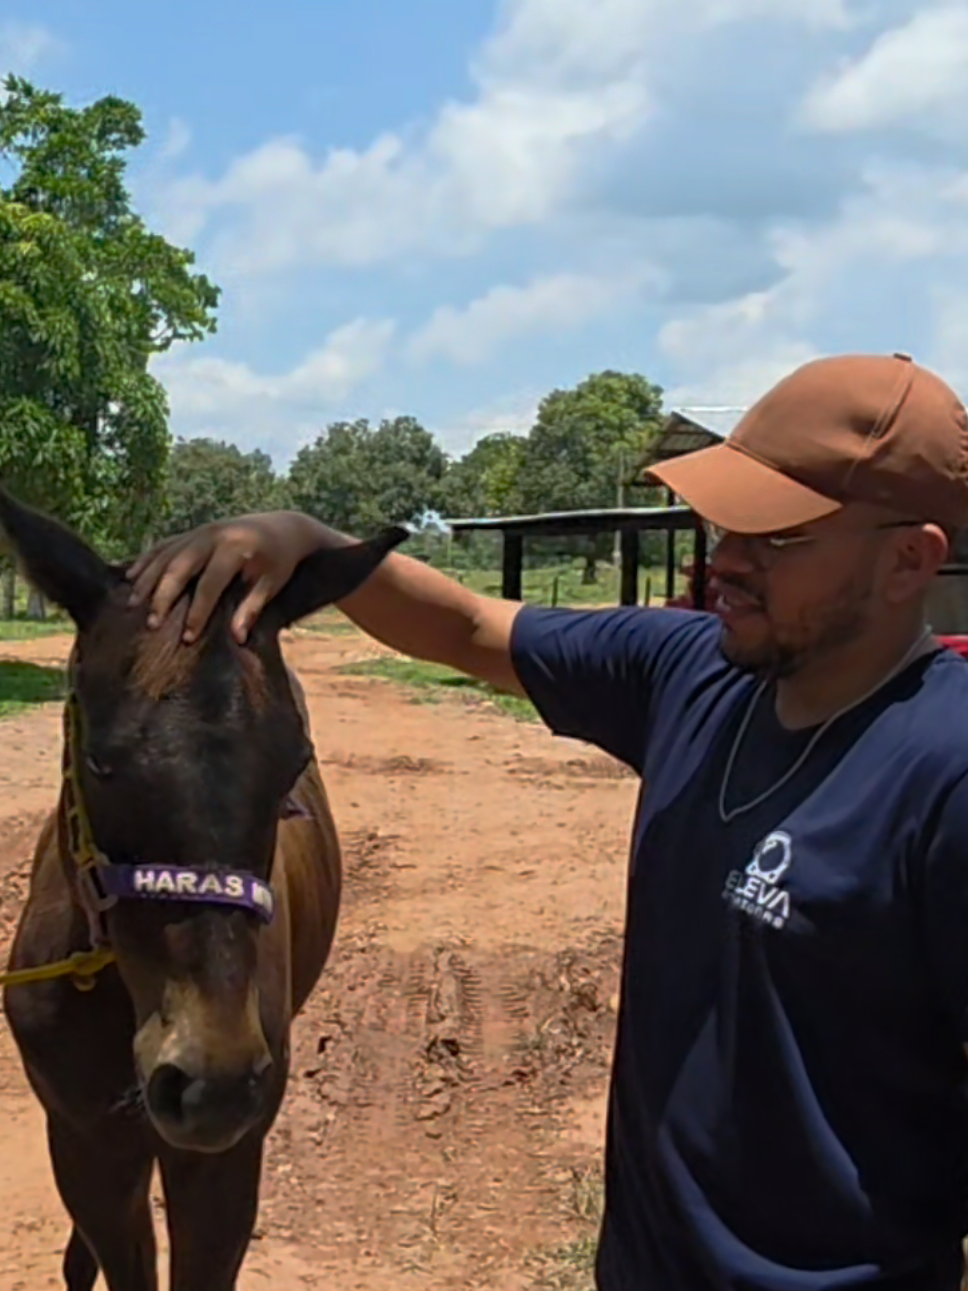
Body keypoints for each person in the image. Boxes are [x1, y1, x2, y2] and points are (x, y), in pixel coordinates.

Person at [127, 352, 968, 1291]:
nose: (725, 558)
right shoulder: (693, 677)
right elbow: (472, 629)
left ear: (909, 560)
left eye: (779, 538)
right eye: (728, 523)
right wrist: (303, 539)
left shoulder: (946, 772)